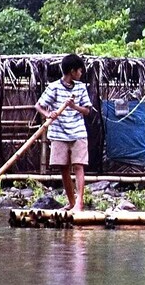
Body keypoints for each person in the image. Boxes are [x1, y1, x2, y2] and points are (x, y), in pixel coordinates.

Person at [35, 53, 92, 212]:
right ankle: (72, 203)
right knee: (63, 168)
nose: (81, 74)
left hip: (78, 132)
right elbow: (39, 105)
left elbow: (87, 111)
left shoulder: (81, 87)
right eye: (79, 71)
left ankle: (80, 204)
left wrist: (74, 107)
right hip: (59, 133)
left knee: (79, 166)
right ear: (72, 71)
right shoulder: (54, 87)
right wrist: (48, 114)